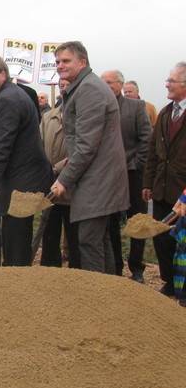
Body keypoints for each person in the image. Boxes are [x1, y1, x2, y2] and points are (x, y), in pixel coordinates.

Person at [49, 42, 129, 274]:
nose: (60, 66)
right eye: (57, 62)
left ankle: (99, 299)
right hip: (95, 176)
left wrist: (64, 179)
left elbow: (86, 145)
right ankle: (109, 292)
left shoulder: (89, 89)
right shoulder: (81, 87)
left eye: (66, 61)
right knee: (99, 239)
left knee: (89, 241)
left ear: (82, 62)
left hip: (99, 177)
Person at [0, 54, 52, 267]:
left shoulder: (7, 100)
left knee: (15, 241)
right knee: (13, 236)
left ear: (3, 74)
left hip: (22, 180)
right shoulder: (4, 97)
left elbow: (1, 148)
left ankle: (17, 287)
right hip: (18, 177)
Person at [101, 70, 152, 282]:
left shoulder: (136, 107)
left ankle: (137, 268)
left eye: (110, 83)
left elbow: (146, 140)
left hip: (133, 175)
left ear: (121, 85)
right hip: (108, 175)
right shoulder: (100, 108)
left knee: (136, 222)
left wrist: (135, 165)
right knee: (111, 222)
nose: (106, 86)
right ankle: (115, 267)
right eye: (103, 83)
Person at [142, 62, 186, 295]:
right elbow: (152, 151)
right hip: (162, 189)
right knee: (162, 238)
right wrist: (148, 182)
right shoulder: (166, 112)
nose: (166, 84)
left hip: (183, 192)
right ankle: (169, 281)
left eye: (172, 81)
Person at [38, 78, 81, 268]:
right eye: (61, 85)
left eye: (68, 85)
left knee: (75, 236)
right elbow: (38, 144)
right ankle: (50, 270)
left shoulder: (82, 116)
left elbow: (83, 149)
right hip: (49, 184)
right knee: (49, 233)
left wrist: (58, 167)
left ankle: (76, 273)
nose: (64, 89)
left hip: (74, 186)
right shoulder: (48, 117)